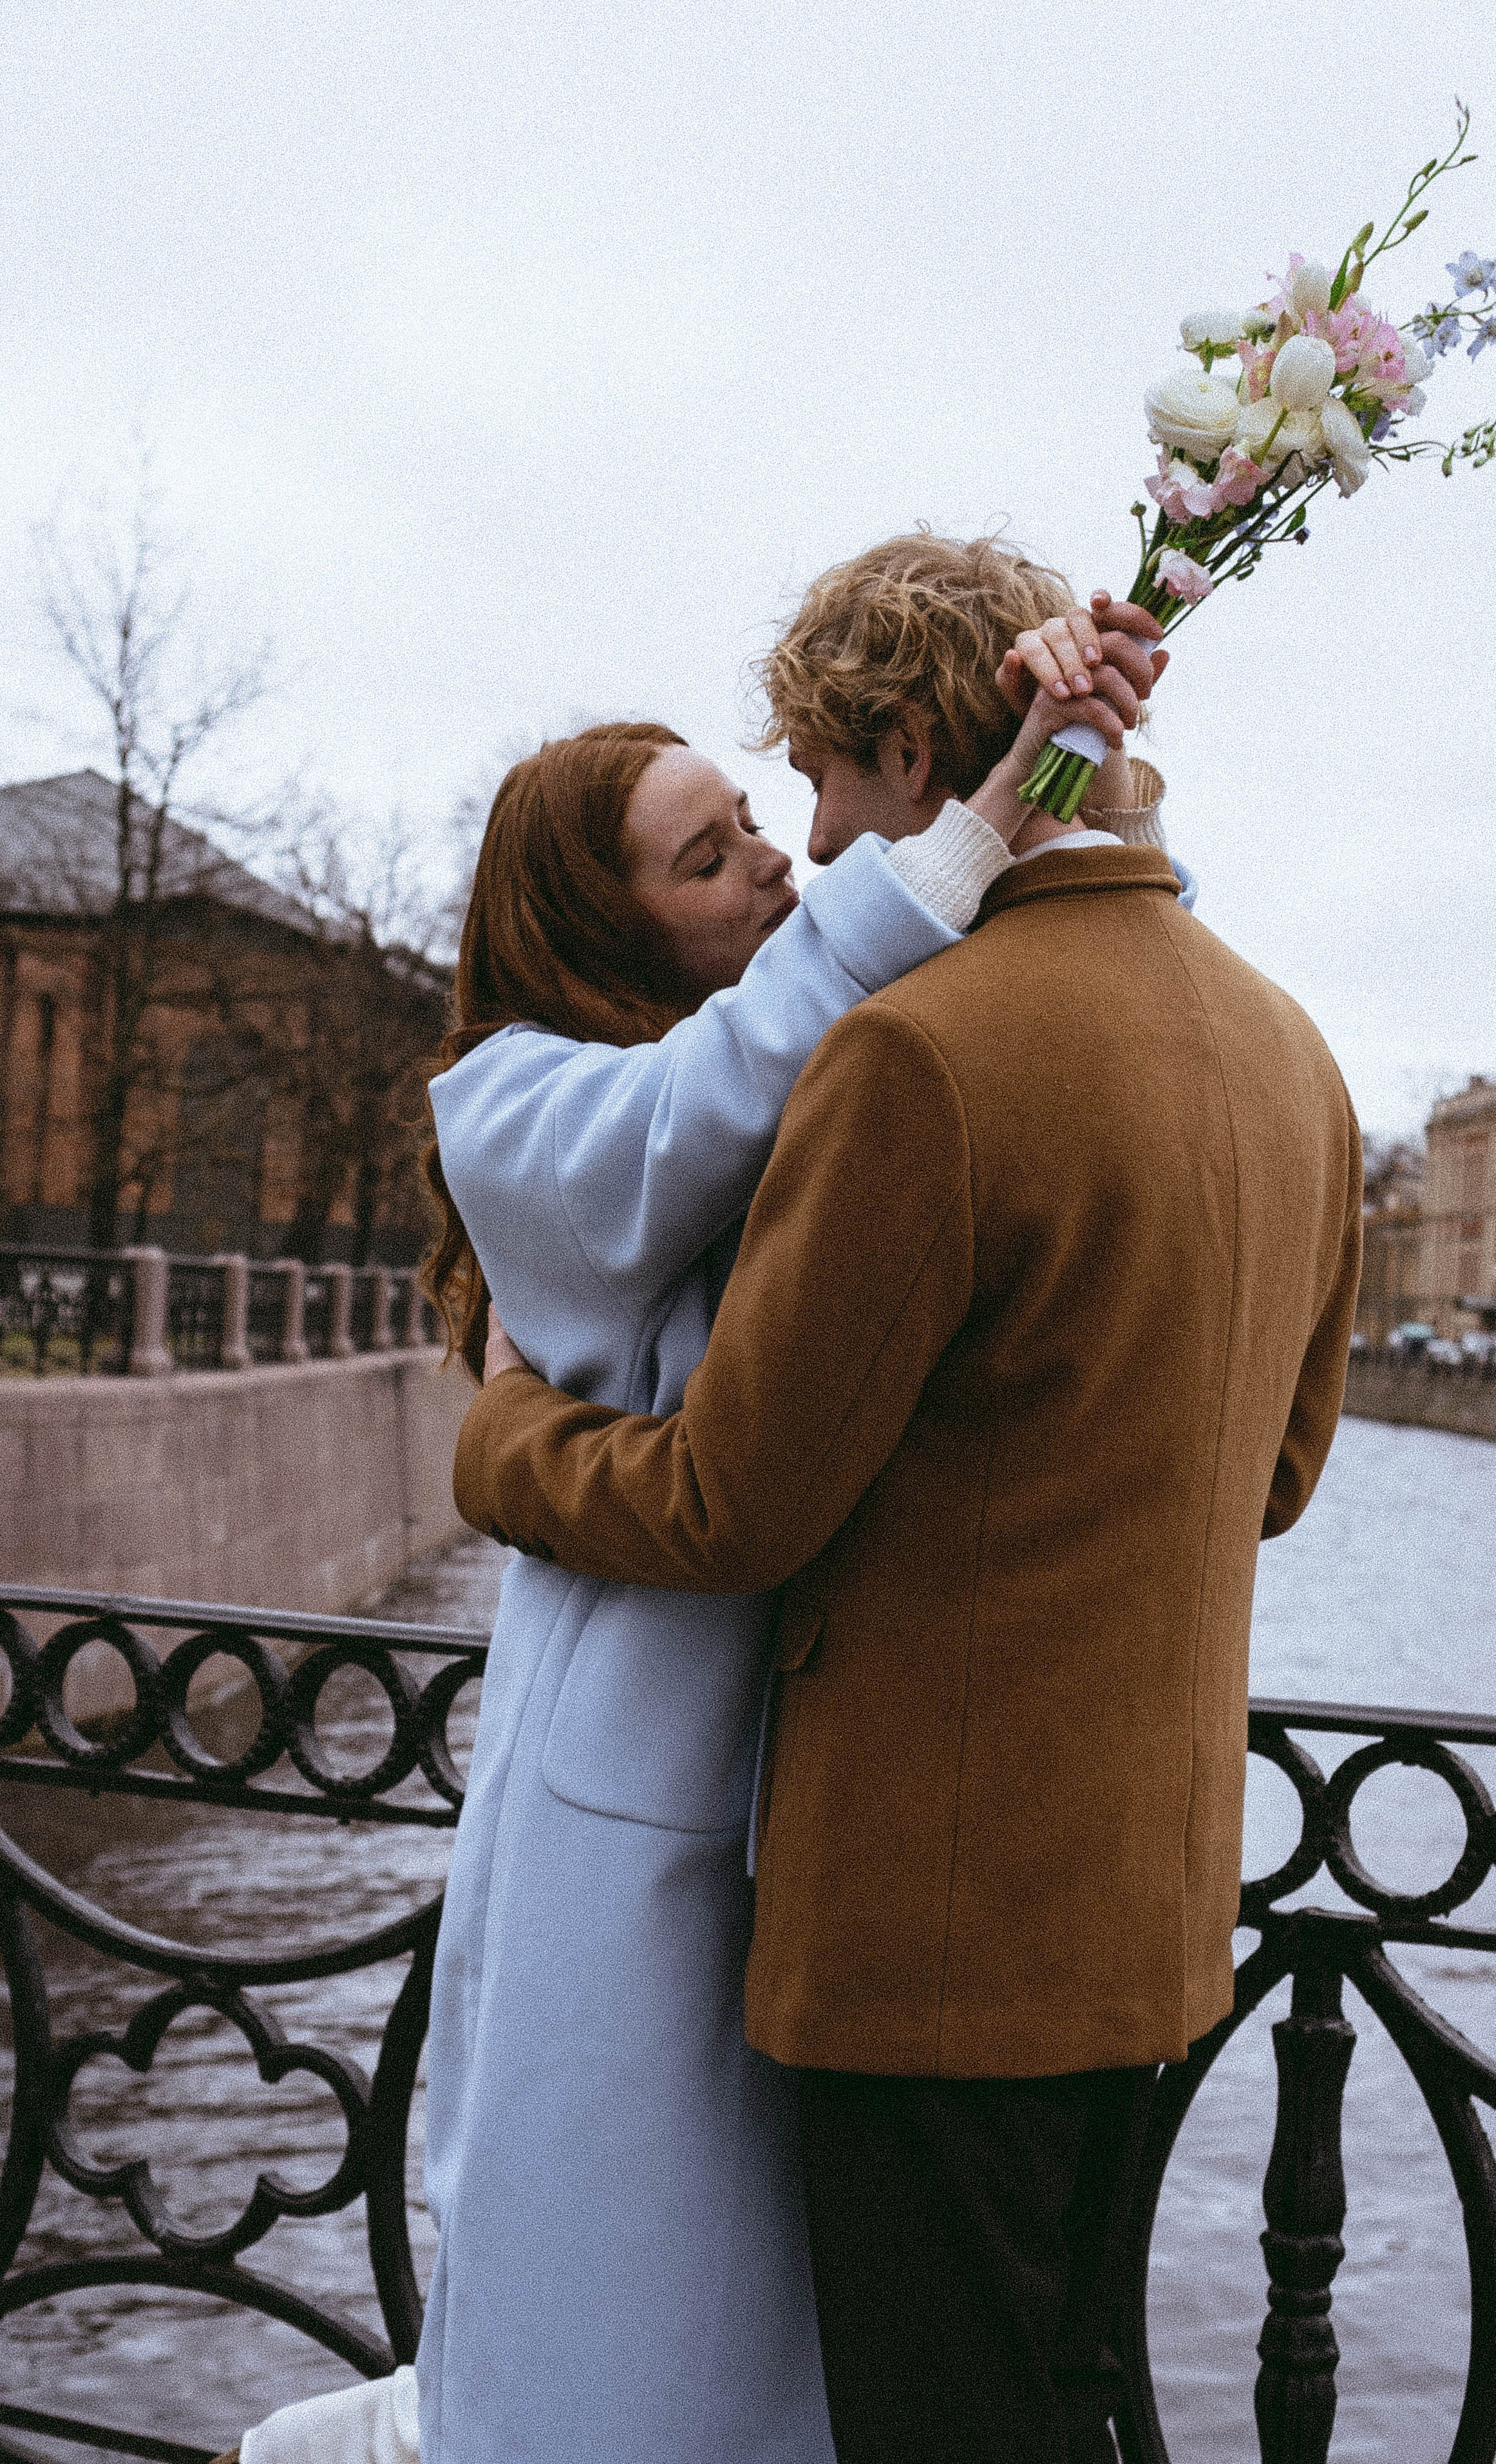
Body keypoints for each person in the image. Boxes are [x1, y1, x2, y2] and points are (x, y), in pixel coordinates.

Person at [213, 538, 1173, 2464]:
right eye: (711, 852)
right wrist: (986, 807)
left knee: (774, 2313)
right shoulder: (516, 1096)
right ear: (598, 922)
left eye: (761, 820)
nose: (780, 864)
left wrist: (1070, 721)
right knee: (613, 2267)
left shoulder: (827, 1049)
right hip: (634, 1789)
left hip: (823, 1791)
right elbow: (699, 1112)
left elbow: (968, 971)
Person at [451, 541, 1363, 2464]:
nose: (807, 842)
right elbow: (1274, 1477)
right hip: (1160, 1913)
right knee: (1069, 2395)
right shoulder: (1297, 1057)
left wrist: (502, 1443)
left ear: (909, 749)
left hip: (929, 1944)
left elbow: (731, 1505)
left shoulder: (920, 1057)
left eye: (816, 781)